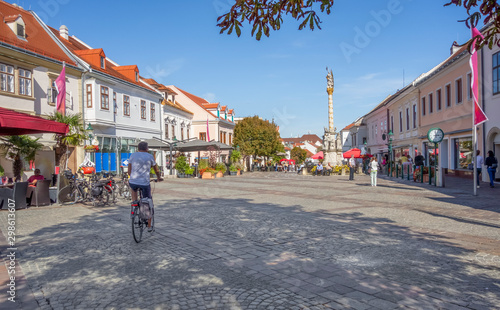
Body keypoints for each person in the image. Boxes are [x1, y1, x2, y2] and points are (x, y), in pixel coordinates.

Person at [128, 141, 163, 230]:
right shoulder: (150, 156)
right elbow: (156, 170)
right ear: (147, 149)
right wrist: (159, 178)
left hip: (133, 181)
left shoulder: (133, 155)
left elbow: (129, 170)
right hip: (144, 183)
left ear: (138, 148)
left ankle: (134, 203)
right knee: (148, 201)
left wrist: (132, 176)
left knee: (134, 188)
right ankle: (149, 225)